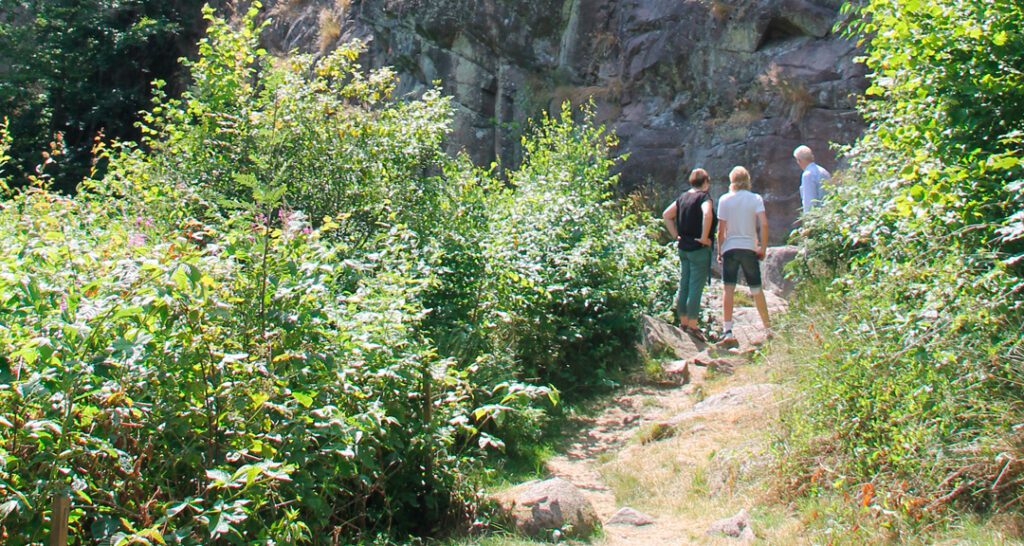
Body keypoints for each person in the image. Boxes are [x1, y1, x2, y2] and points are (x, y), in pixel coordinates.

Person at [716, 166, 771, 347]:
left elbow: (721, 230)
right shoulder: (755, 198)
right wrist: (762, 247)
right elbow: (763, 224)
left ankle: (727, 330)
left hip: (730, 248)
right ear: (748, 179)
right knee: (756, 289)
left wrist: (719, 250)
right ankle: (768, 328)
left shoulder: (725, 199)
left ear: (731, 180)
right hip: (749, 247)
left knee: (728, 289)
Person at [662, 168, 717, 341]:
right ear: (706, 182)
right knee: (695, 287)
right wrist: (703, 237)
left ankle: (683, 321)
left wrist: (675, 235)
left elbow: (666, 215)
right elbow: (707, 214)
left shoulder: (683, 197)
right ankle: (693, 325)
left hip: (683, 247)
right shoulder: (704, 197)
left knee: (684, 283)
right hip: (698, 249)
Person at [793, 145, 830, 213]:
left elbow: (809, 203)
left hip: (818, 218)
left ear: (799, 160)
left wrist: (808, 221)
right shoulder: (824, 172)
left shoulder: (807, 175)